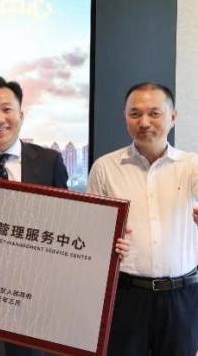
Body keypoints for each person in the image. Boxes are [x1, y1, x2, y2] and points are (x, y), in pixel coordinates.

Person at [0, 75, 129, 356]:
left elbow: (69, 221)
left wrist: (107, 239)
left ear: (21, 115)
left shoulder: (49, 161)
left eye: (6, 109)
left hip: (30, 295)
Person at [87, 82, 197, 356]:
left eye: (154, 113)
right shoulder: (105, 168)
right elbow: (91, 231)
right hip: (126, 296)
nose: (144, 122)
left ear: (173, 117)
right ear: (125, 117)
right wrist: (104, 242)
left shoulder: (192, 166)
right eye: (135, 114)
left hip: (182, 296)